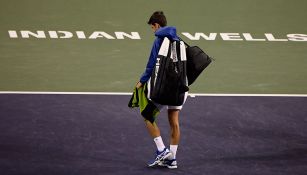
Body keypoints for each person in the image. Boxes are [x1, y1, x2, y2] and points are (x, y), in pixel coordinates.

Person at [136, 11, 188, 169]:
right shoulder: (178, 40)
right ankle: (172, 159)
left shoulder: (159, 39)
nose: (153, 31)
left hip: (164, 87)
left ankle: (161, 150)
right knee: (174, 122)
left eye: (153, 28)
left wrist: (141, 81)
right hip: (180, 86)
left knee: (147, 115)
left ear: (156, 25)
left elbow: (152, 64)